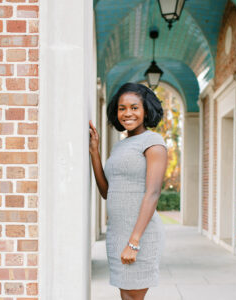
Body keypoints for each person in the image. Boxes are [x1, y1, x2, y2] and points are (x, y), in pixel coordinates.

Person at [89, 82, 168, 300]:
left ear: (146, 110)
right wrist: (94, 152)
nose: (127, 113)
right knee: (126, 296)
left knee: (133, 297)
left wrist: (134, 242)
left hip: (139, 235)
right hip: (117, 233)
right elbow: (107, 191)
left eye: (134, 107)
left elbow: (152, 193)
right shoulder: (121, 145)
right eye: (122, 108)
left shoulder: (153, 143)